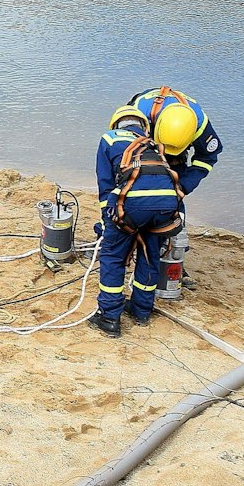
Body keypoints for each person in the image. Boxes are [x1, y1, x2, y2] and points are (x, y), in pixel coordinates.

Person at [91, 106, 185, 336]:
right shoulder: (151, 142)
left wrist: (107, 222)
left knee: (113, 256)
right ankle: (141, 310)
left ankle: (109, 318)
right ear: (143, 126)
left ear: (116, 124)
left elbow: (106, 186)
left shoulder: (109, 139)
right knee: (149, 253)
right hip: (166, 206)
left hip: (133, 205)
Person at [127, 86, 222, 194]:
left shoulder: (199, 124)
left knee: (175, 177)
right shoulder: (137, 114)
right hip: (148, 121)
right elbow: (118, 150)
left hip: (177, 141)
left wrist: (184, 186)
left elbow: (208, 157)